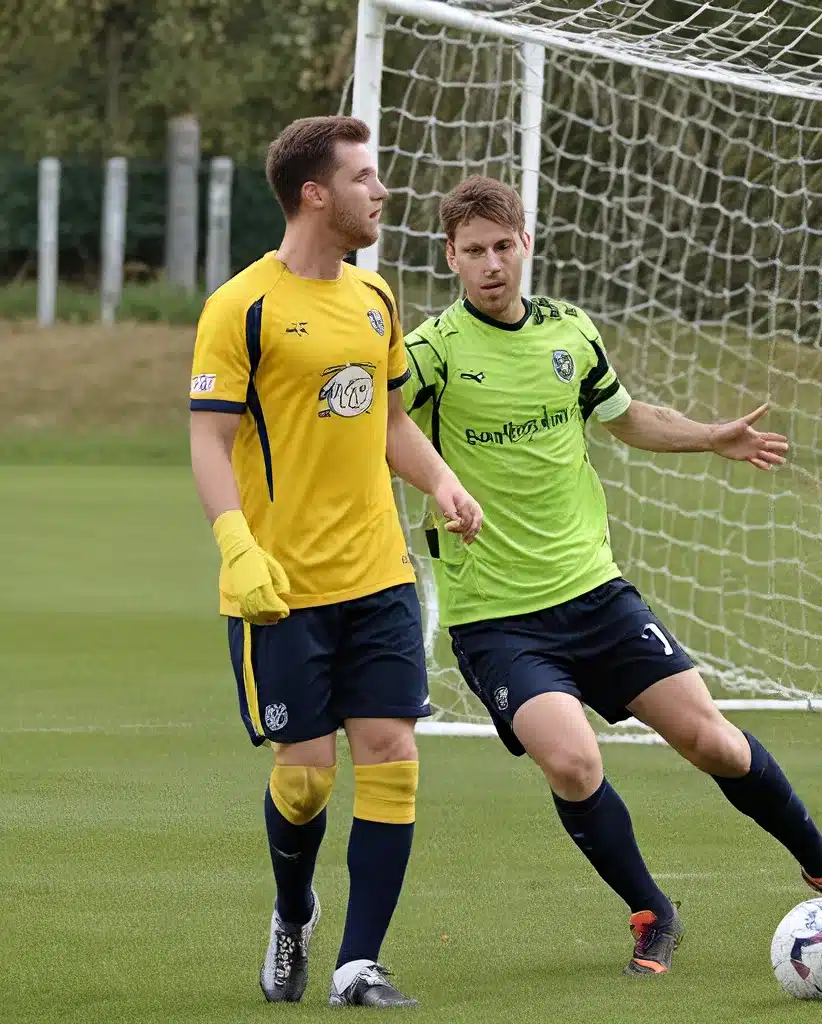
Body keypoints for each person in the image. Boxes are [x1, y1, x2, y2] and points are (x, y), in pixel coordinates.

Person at [402, 175, 822, 977]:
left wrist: (711, 435)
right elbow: (380, 422)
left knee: (713, 741)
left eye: (504, 247)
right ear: (452, 259)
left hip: (596, 593)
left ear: (526, 244)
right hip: (498, 616)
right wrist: (439, 484)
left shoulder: (570, 332)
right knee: (573, 762)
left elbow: (627, 417)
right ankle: (652, 910)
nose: (493, 265)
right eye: (475, 252)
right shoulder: (433, 352)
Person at [189, 116, 482, 1009]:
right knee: (308, 775)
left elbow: (391, 423)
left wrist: (441, 481)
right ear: (316, 193)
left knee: (392, 753)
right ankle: (292, 913)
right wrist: (236, 545)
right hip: (280, 589)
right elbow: (210, 439)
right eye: (364, 178)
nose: (380, 192)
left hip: (380, 574)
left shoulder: (377, 299)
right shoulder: (240, 306)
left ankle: (359, 964)